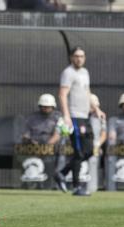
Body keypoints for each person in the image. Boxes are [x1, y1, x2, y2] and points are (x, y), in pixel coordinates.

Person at [54, 46, 105, 196]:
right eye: (76, 56)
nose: (79, 58)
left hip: (85, 116)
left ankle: (62, 173)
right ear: (71, 57)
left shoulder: (85, 72)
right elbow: (62, 94)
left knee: (89, 150)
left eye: (82, 56)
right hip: (74, 116)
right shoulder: (68, 73)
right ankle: (77, 187)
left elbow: (88, 92)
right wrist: (67, 116)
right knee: (79, 151)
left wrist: (96, 109)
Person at [87, 93, 106, 193]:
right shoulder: (83, 117)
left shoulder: (101, 117)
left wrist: (98, 144)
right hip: (84, 145)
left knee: (94, 163)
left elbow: (103, 134)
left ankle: (93, 187)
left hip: (95, 146)